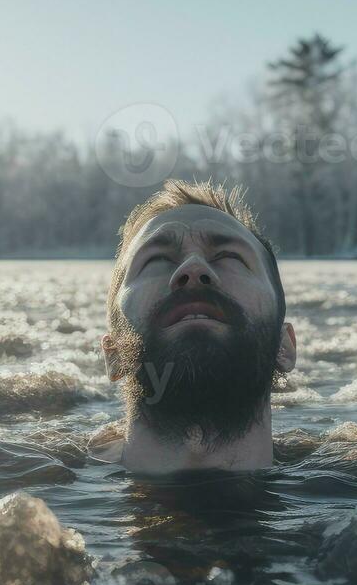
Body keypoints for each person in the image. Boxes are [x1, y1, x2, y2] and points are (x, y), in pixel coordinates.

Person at [100, 179, 297, 474]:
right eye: (157, 260)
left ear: (285, 347)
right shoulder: (26, 481)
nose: (193, 270)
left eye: (229, 257)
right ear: (113, 354)